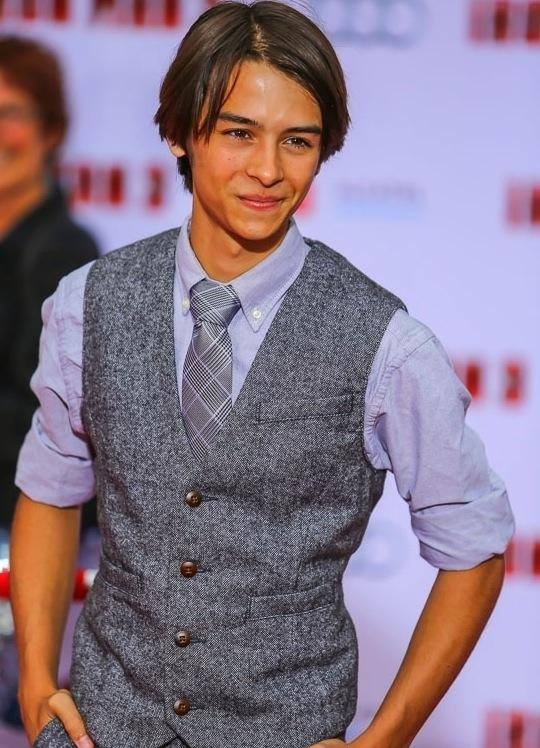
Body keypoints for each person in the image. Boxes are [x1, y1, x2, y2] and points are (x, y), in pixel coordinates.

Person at [10, 2, 514, 747]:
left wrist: (386, 738)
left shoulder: (386, 343)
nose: (269, 170)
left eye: (297, 141)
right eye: (239, 133)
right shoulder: (89, 303)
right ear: (181, 132)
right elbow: (50, 490)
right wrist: (34, 678)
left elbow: (474, 547)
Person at [0, 34, 99, 733]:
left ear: (52, 131)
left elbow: (46, 422)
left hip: (25, 538)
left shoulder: (64, 251)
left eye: (12, 112)